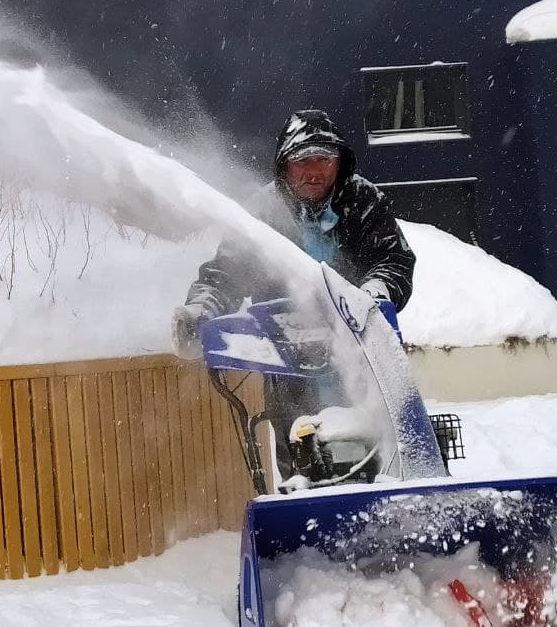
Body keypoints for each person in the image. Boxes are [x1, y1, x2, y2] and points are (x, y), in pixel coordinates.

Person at [173, 109, 416, 481]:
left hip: (360, 359)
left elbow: (393, 260)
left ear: (340, 162)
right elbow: (227, 272)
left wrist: (370, 296)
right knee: (301, 458)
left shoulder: (364, 202)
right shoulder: (263, 213)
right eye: (303, 161)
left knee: (369, 458)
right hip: (290, 368)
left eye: (324, 159)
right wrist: (202, 310)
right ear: (284, 164)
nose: (314, 171)